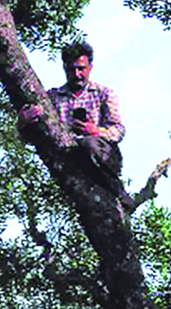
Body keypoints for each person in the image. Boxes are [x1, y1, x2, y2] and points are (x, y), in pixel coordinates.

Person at [17, 40, 131, 212]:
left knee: (89, 143)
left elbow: (119, 130)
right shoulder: (52, 98)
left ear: (90, 67)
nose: (77, 74)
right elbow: (31, 139)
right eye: (71, 69)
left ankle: (118, 190)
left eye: (81, 68)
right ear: (64, 68)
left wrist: (96, 131)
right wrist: (23, 123)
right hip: (72, 158)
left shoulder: (104, 93)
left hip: (103, 156)